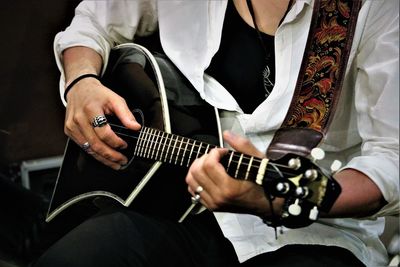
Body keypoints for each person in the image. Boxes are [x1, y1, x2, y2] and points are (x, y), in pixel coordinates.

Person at [34, 0, 399, 266]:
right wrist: (81, 82)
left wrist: (276, 199)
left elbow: (392, 158)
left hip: (316, 235)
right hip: (179, 209)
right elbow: (92, 22)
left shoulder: (376, 10)